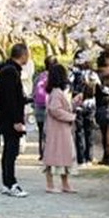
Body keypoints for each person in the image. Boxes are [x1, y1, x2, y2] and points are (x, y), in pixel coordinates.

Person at [0, 43, 29, 197]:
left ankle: (7, 183)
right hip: (9, 120)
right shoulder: (10, 72)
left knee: (9, 151)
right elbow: (10, 100)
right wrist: (16, 121)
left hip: (7, 118)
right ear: (22, 55)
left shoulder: (9, 70)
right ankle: (10, 183)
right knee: (11, 152)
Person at [43, 63, 77, 193]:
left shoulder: (56, 92)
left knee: (62, 155)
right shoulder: (57, 93)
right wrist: (70, 117)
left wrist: (74, 103)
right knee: (56, 155)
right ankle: (50, 184)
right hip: (58, 129)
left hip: (58, 129)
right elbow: (54, 109)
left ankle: (65, 184)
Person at [69, 51, 97, 166]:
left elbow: (67, 85)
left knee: (79, 131)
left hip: (78, 105)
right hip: (90, 104)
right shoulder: (92, 73)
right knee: (89, 131)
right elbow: (98, 86)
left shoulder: (73, 73)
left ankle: (81, 159)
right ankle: (89, 157)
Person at [32, 55, 57, 161]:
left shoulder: (39, 76)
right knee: (52, 132)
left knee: (42, 131)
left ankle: (42, 153)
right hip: (51, 108)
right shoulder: (56, 77)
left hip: (39, 107)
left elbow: (33, 92)